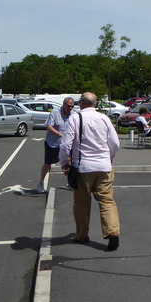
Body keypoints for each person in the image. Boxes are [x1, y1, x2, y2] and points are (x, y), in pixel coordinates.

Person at [59, 92, 121, 251]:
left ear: (81, 103)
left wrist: (64, 162)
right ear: (95, 104)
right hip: (104, 167)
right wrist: (110, 157)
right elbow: (114, 142)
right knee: (107, 201)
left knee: (81, 204)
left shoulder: (75, 118)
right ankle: (112, 231)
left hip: (83, 168)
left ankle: (82, 234)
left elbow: (66, 144)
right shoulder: (104, 118)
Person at [37, 97, 75, 194]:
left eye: (72, 106)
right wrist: (60, 134)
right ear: (64, 105)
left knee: (69, 162)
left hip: (65, 143)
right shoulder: (55, 112)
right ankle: (40, 183)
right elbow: (49, 126)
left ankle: (70, 183)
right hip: (52, 143)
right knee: (48, 163)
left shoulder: (73, 115)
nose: (70, 108)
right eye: (69, 106)